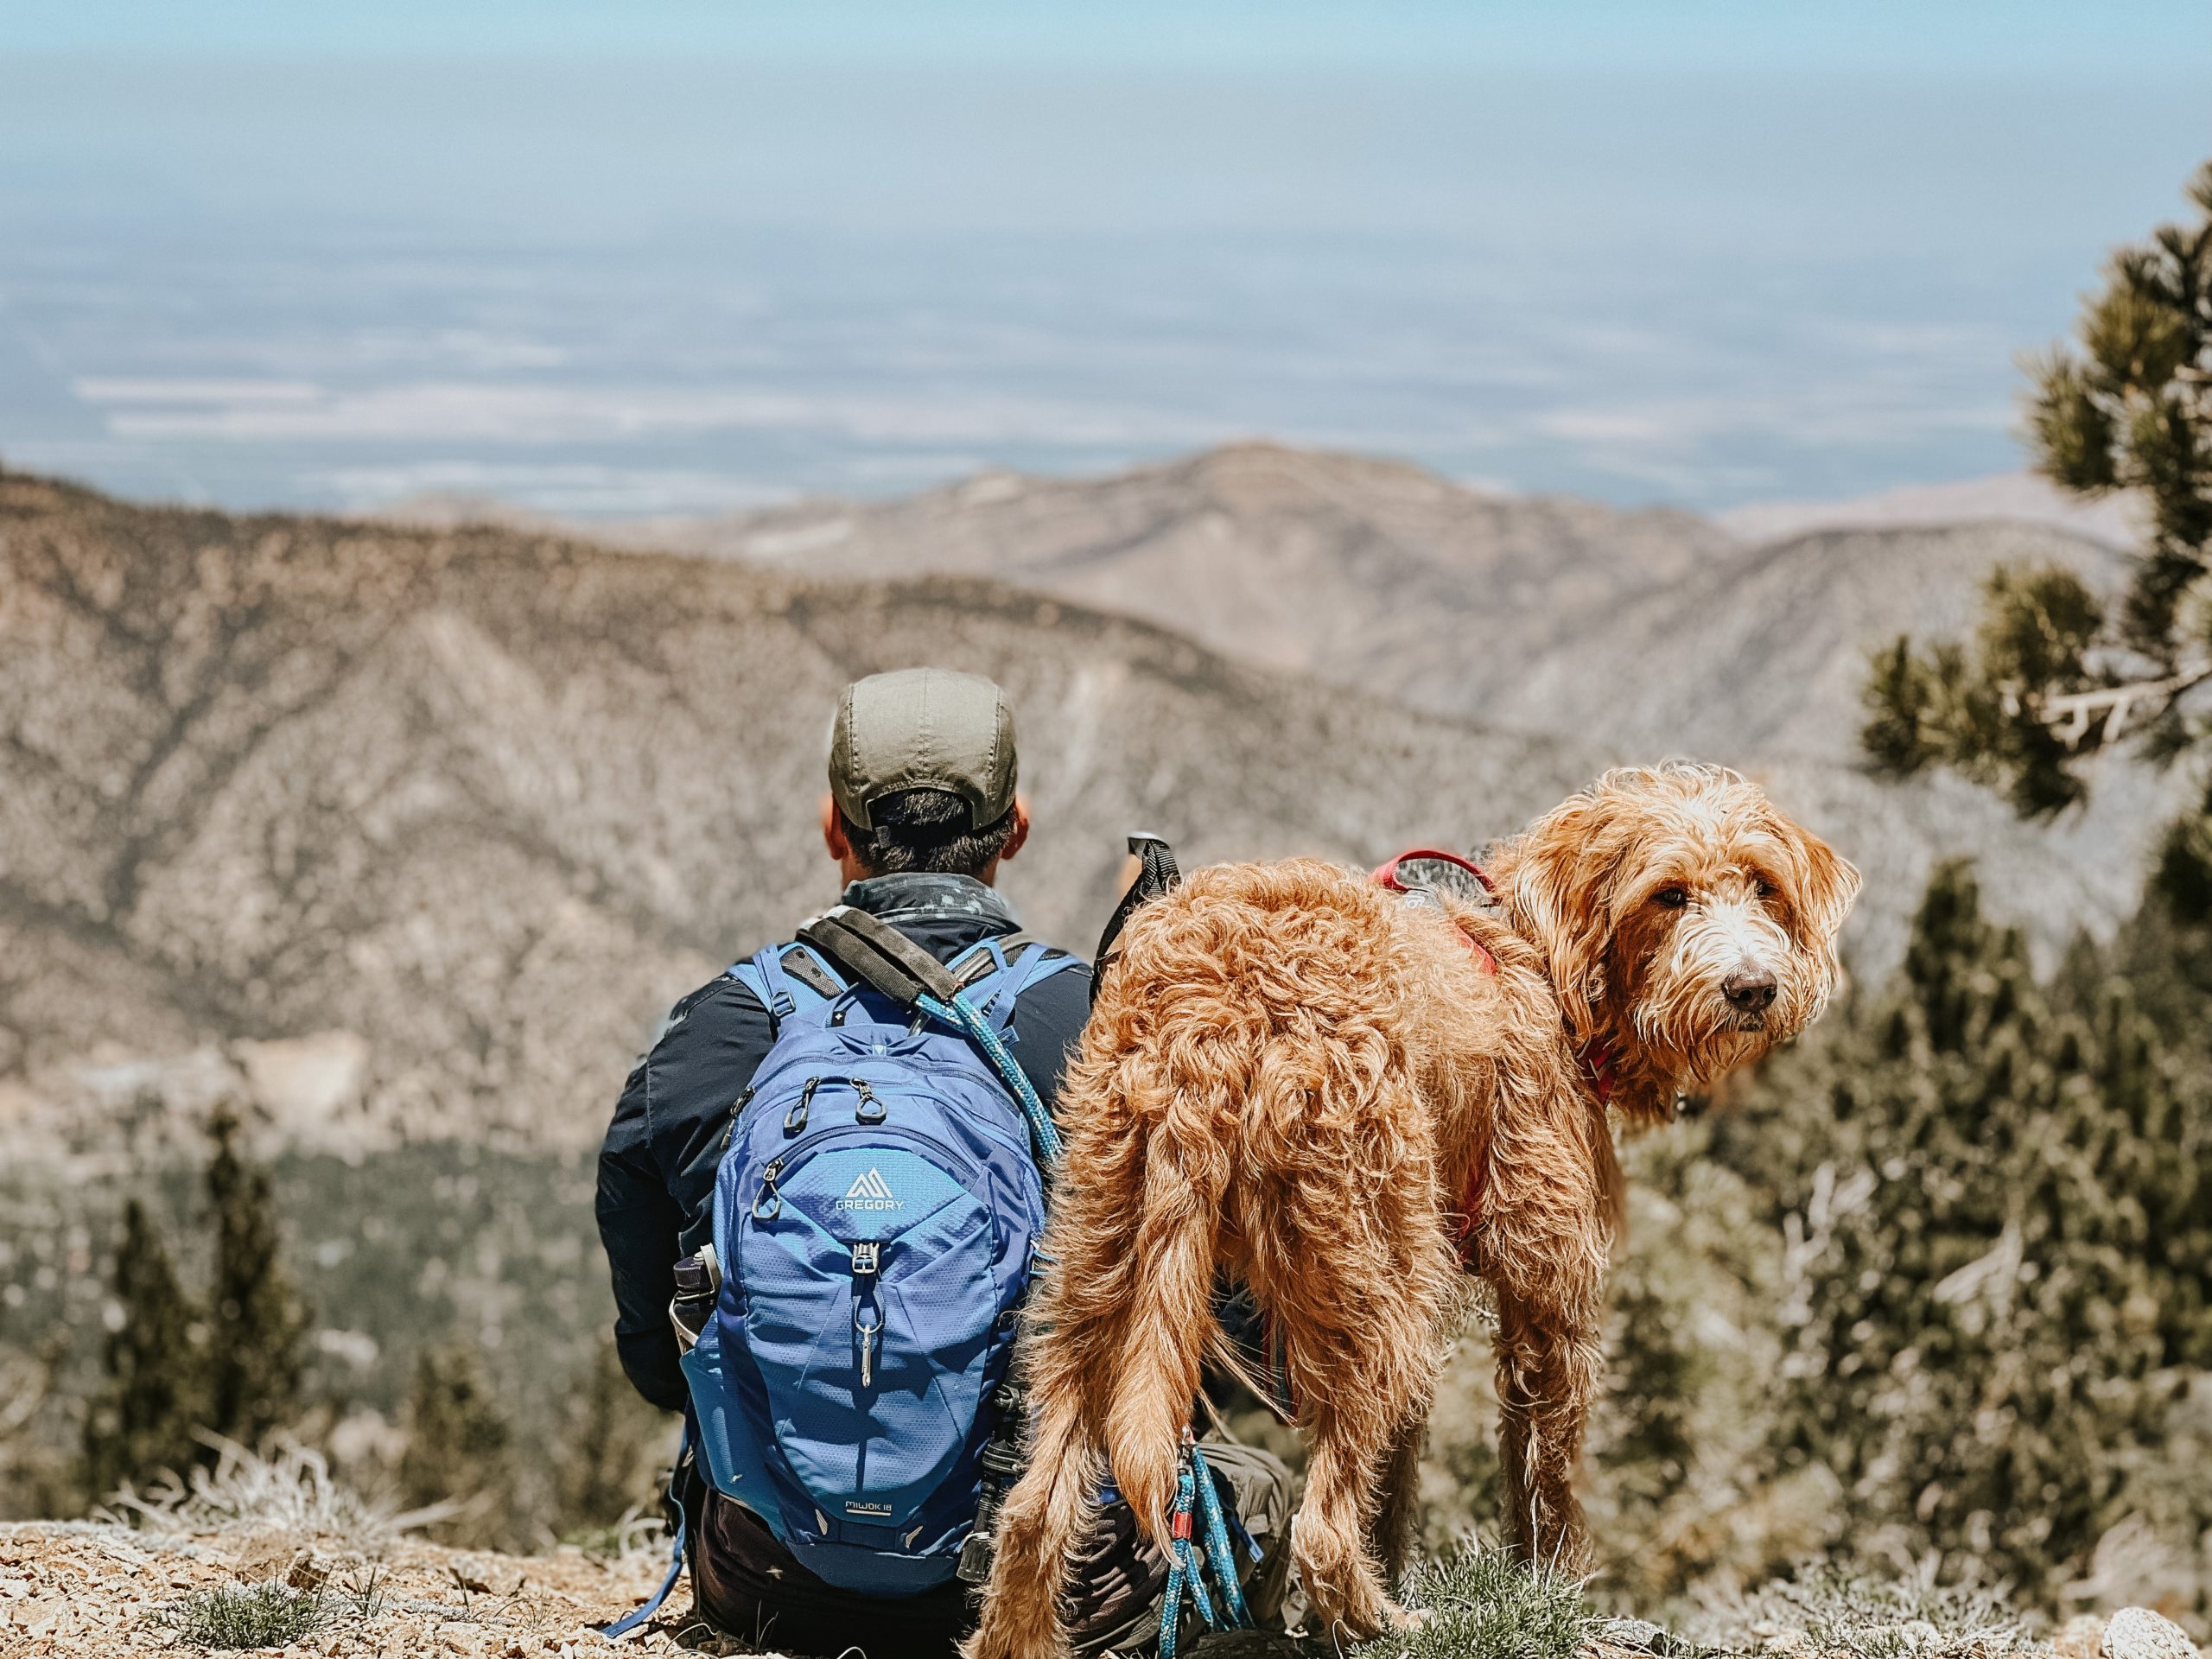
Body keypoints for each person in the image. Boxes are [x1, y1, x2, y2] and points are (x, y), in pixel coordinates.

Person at [596, 666, 1291, 1659]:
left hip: (765, 1582)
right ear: (1015, 827)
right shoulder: (1098, 1025)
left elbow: (654, 1340)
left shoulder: (719, 1033)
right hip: (1057, 1591)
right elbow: (1228, 1327)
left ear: (834, 827)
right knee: (1253, 1490)